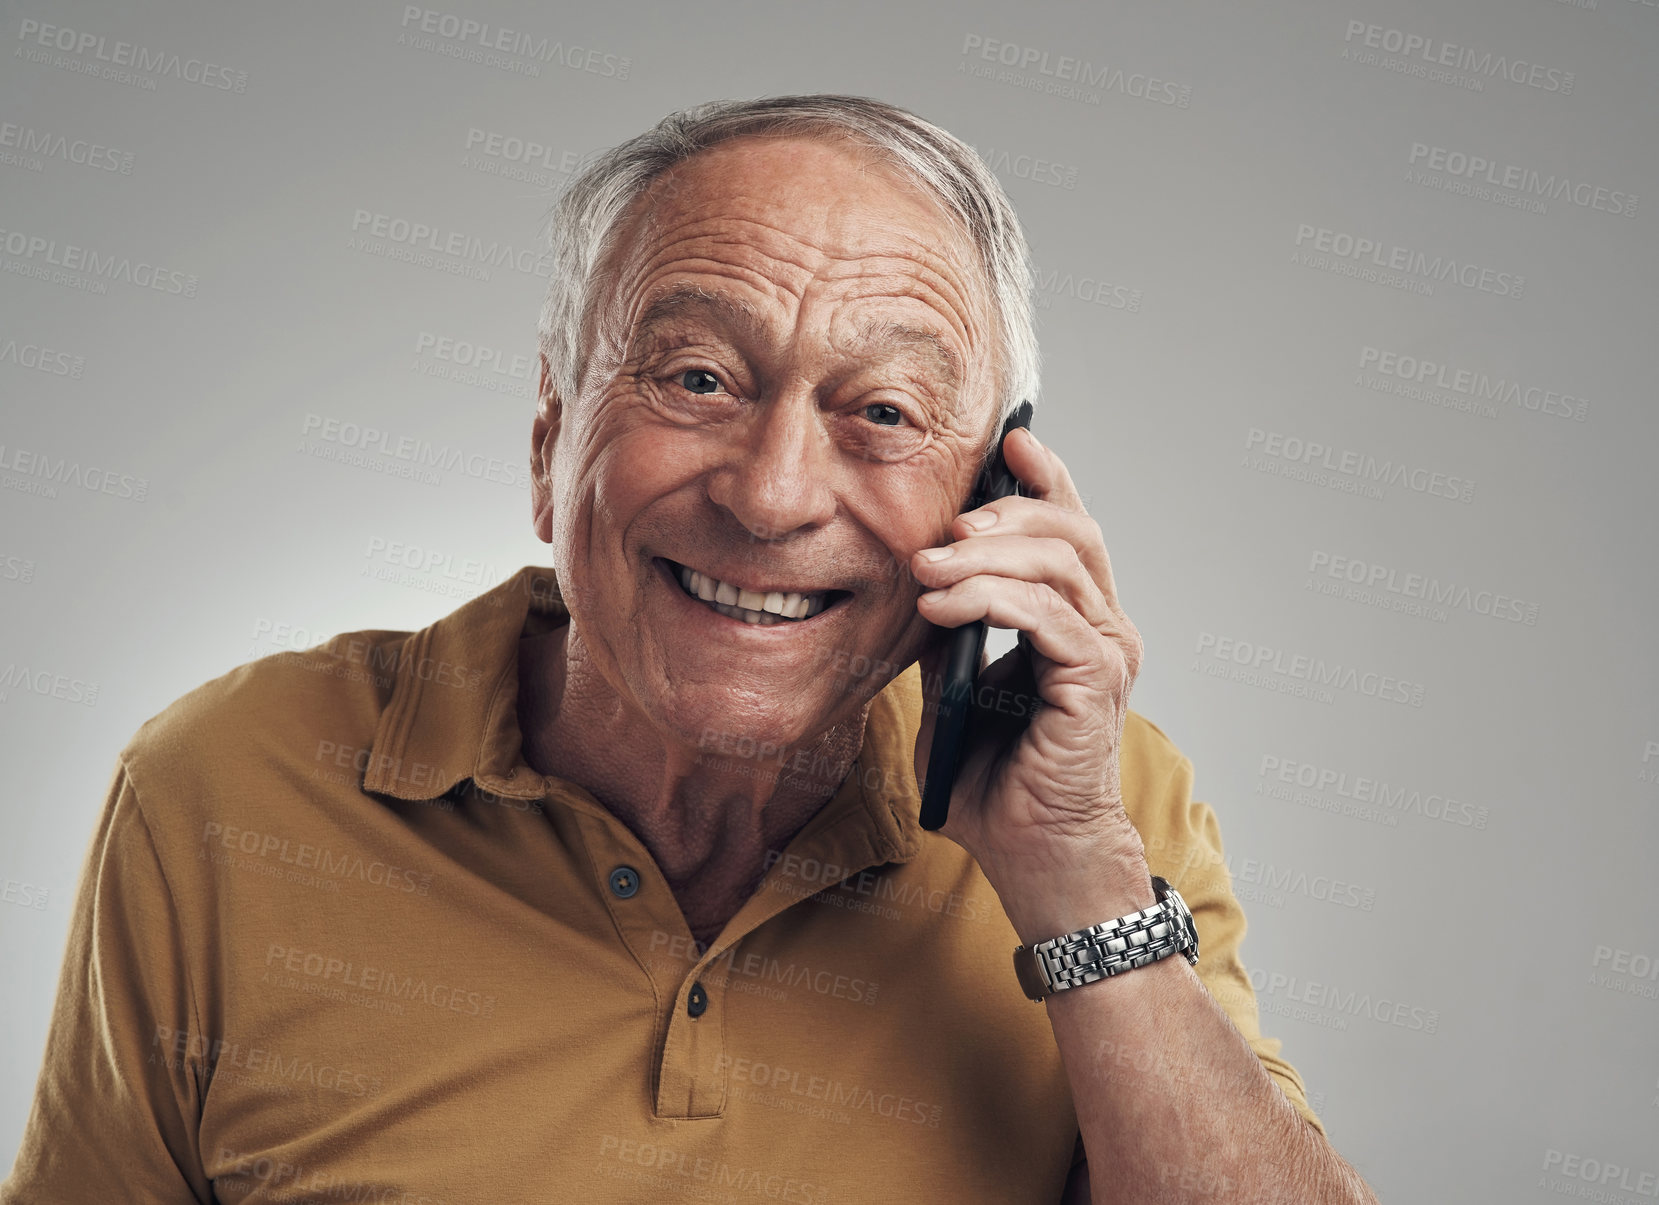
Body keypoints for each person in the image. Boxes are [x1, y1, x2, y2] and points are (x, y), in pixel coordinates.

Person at [2, 95, 1378, 1203]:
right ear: (552, 442)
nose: (772, 494)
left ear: (994, 499)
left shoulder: (1099, 812)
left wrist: (1077, 883)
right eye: (699, 378)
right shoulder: (225, 790)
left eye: (885, 411)